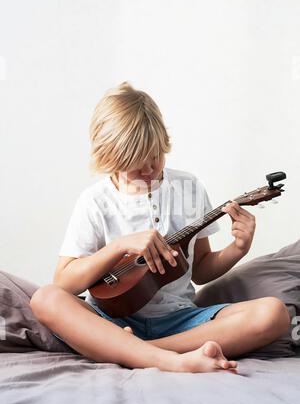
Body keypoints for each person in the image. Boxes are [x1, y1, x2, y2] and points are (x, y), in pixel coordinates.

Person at [30, 82, 290, 373]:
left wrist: (238, 248)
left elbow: (202, 269)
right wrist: (119, 245)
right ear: (110, 158)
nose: (149, 169)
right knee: (45, 298)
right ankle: (171, 360)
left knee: (274, 313)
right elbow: (63, 282)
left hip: (180, 322)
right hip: (111, 320)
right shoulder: (95, 202)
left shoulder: (189, 188)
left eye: (155, 156)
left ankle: (133, 351)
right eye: (135, 163)